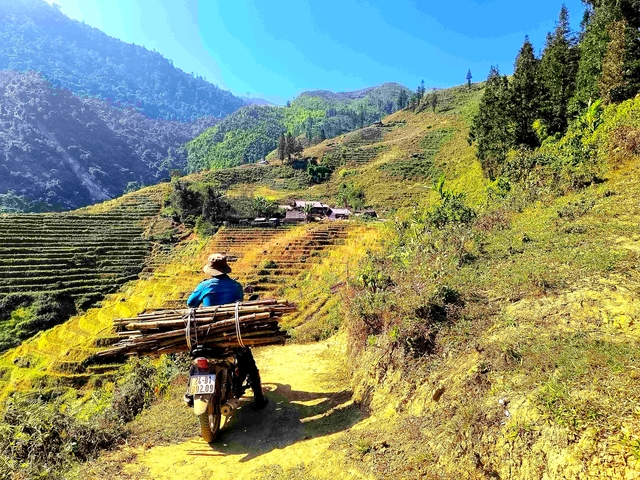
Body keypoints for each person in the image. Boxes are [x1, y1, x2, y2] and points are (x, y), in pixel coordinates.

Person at [184, 253, 268, 409]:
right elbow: (239, 303)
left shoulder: (205, 285)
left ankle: (190, 394)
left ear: (210, 270)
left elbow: (190, 303)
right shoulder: (236, 286)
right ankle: (259, 398)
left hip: (208, 336)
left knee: (196, 359)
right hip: (232, 335)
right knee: (250, 366)